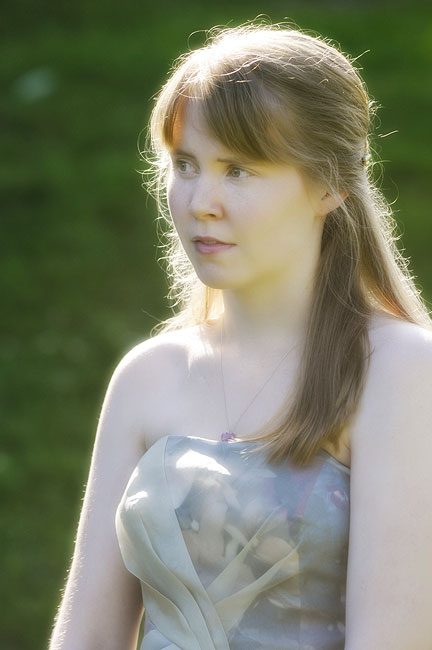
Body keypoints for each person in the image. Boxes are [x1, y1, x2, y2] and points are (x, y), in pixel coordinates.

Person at [48, 19, 432, 650]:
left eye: (239, 169)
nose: (200, 201)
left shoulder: (398, 370)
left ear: (330, 184)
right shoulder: (147, 376)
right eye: (185, 165)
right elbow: (85, 636)